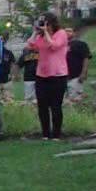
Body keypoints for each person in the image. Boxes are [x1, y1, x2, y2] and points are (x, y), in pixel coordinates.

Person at [25, 12, 70, 140]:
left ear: (51, 23)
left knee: (56, 105)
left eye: (45, 23)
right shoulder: (40, 37)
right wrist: (35, 32)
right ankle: (45, 133)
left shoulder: (61, 33)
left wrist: (46, 33)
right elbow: (30, 45)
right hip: (41, 75)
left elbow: (54, 46)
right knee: (42, 106)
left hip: (57, 75)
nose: (43, 25)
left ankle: (56, 134)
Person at [65, 27, 93, 102]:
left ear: (74, 33)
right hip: (63, 76)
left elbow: (86, 58)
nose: (67, 32)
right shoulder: (60, 44)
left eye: (69, 31)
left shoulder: (81, 44)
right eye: (65, 31)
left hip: (76, 75)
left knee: (75, 98)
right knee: (65, 100)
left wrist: (84, 73)